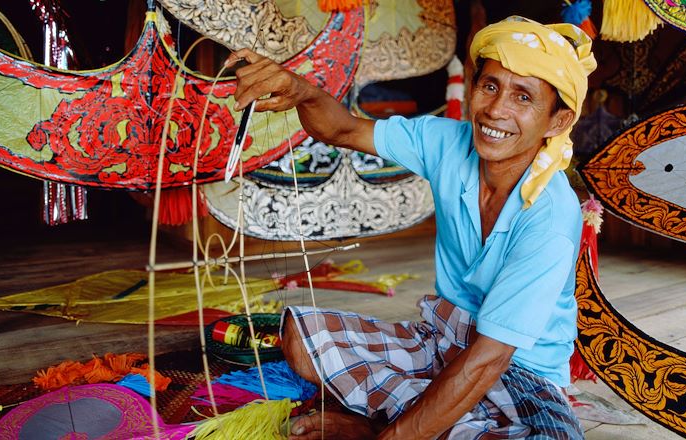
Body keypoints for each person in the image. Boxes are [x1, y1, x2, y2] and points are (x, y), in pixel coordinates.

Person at [226, 15, 596, 440]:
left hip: (519, 375)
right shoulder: (446, 142)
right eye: (490, 86)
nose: (496, 110)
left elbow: (487, 361)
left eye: (523, 97)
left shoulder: (549, 217)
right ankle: (412, 421)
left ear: (557, 122)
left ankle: (382, 426)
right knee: (302, 337)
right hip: (441, 339)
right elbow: (343, 129)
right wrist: (301, 90)